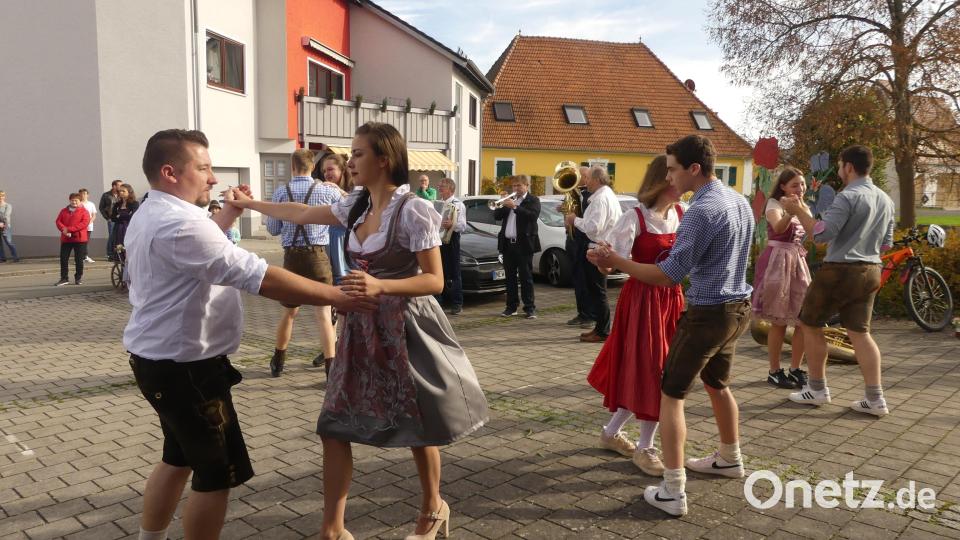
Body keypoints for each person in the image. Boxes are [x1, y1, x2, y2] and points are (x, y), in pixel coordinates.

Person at [227, 121, 488, 540]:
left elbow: (435, 281)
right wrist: (251, 204)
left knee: (418, 426)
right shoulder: (357, 206)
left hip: (404, 328)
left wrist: (381, 284)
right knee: (334, 425)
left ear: (384, 159)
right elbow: (300, 212)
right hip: (359, 328)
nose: (350, 162)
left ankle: (432, 509)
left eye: (359, 153)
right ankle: (333, 530)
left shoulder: (415, 209)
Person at [125, 129, 374, 540]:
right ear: (170, 172)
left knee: (178, 457)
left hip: (162, 361)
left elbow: (202, 250)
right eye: (203, 169)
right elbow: (259, 277)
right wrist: (336, 296)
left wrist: (229, 216)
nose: (212, 179)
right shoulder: (179, 225)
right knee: (216, 473)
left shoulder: (156, 212)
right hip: (187, 369)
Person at [589, 135, 754, 517]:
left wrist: (618, 262)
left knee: (670, 393)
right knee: (718, 384)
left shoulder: (698, 210)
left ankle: (673, 489)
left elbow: (669, 274)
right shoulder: (738, 201)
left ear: (694, 169)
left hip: (707, 313)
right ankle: (730, 457)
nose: (669, 175)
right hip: (737, 308)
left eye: (674, 168)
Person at [782, 145, 895, 417]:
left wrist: (799, 211)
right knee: (860, 333)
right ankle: (875, 398)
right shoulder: (885, 199)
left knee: (810, 323)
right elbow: (886, 244)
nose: (841, 170)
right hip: (871, 270)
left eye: (841, 164)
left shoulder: (848, 197)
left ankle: (817, 389)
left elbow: (821, 234)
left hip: (840, 269)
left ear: (849, 167)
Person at [587, 156, 683, 477]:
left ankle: (611, 432)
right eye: (675, 177)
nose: (681, 187)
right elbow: (608, 265)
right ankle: (645, 447)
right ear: (664, 180)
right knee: (652, 370)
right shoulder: (635, 218)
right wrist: (601, 258)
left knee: (654, 370)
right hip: (642, 301)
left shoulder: (682, 215)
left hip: (671, 299)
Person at [266, 149, 342, 378]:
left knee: (289, 312)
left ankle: (278, 361)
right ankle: (331, 371)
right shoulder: (325, 190)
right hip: (318, 256)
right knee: (323, 315)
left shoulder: (281, 192)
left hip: (292, 258)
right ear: (312, 167)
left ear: (292, 167)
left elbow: (272, 229)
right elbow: (349, 213)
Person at [752, 167, 812, 389]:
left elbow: (812, 233)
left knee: (802, 320)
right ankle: (775, 371)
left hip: (797, 261)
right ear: (783, 187)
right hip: (777, 262)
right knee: (778, 321)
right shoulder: (774, 204)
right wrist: (790, 211)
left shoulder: (804, 206)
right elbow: (778, 227)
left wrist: (801, 211)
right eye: (795, 184)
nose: (800, 188)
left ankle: (795, 368)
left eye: (803, 184)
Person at [564, 166, 622, 343]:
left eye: (587, 178)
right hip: (599, 247)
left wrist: (575, 220)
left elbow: (593, 227)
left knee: (597, 291)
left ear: (597, 180)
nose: (585, 181)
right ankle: (600, 327)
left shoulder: (600, 199)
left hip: (599, 248)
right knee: (595, 290)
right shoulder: (604, 196)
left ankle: (603, 331)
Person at [495, 175, 541, 319]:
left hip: (524, 245)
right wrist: (502, 203)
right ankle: (511, 307)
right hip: (508, 244)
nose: (516, 188)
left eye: (519, 186)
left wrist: (515, 206)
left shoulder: (533, 200)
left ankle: (530, 308)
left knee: (526, 277)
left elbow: (532, 216)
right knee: (510, 278)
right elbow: (496, 216)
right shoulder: (510, 200)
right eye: (514, 186)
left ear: (527, 186)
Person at [313, 152, 352, 285]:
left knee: (346, 279)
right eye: (324, 171)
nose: (326, 174)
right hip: (328, 242)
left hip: (346, 242)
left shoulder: (352, 188)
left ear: (342, 170)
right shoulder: (324, 189)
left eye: (330, 169)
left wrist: (339, 190)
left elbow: (358, 207)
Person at [566, 166, 595, 328]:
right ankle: (582, 313)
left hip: (585, 240)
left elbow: (587, 220)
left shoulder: (592, 196)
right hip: (574, 239)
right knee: (577, 279)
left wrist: (574, 218)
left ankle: (590, 315)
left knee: (586, 280)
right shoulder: (576, 193)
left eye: (581, 175)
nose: (577, 179)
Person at [437, 177, 466, 315]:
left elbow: (462, 226)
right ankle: (439, 301)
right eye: (439, 186)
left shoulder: (458, 204)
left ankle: (457, 303)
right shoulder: (438, 204)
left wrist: (452, 225)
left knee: (454, 272)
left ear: (450, 189)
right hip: (437, 240)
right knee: (439, 270)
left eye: (442, 186)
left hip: (452, 239)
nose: (439, 188)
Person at [54, 193, 91, 286]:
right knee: (63, 259)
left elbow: (84, 223)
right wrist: (63, 229)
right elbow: (58, 221)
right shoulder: (64, 211)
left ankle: (78, 278)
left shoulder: (84, 211)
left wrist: (69, 229)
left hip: (79, 239)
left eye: (76, 200)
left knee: (78, 260)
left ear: (80, 201)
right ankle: (64, 278)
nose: (74, 202)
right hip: (66, 239)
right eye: (72, 200)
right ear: (69, 200)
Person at [111, 183, 140, 250]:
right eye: (120, 191)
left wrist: (119, 216)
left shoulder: (134, 203)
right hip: (118, 228)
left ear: (129, 192)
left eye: (123, 191)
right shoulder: (117, 204)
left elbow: (132, 217)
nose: (121, 192)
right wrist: (125, 215)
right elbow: (113, 218)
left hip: (129, 227)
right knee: (118, 248)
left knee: (128, 247)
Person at [100, 179, 122, 261]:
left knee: (119, 235)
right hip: (111, 219)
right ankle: (110, 254)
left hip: (120, 218)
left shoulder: (121, 194)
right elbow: (101, 208)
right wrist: (107, 218)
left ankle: (118, 254)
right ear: (114, 186)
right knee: (112, 235)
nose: (121, 187)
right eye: (119, 185)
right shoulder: (106, 195)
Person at [78, 189, 98, 263]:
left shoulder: (91, 204)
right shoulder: (78, 203)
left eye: (84, 194)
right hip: (79, 227)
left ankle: (85, 256)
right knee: (79, 242)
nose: (83, 195)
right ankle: (80, 257)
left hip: (89, 226)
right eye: (81, 194)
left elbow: (94, 215)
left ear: (87, 195)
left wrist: (88, 222)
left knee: (86, 241)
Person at [0, 191, 20, 263]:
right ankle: (2, 258)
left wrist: (3, 223)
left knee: (9, 242)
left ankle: (15, 257)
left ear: (4, 197)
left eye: (2, 196)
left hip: (6, 227)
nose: (0, 198)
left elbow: (6, 215)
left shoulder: (8, 205)